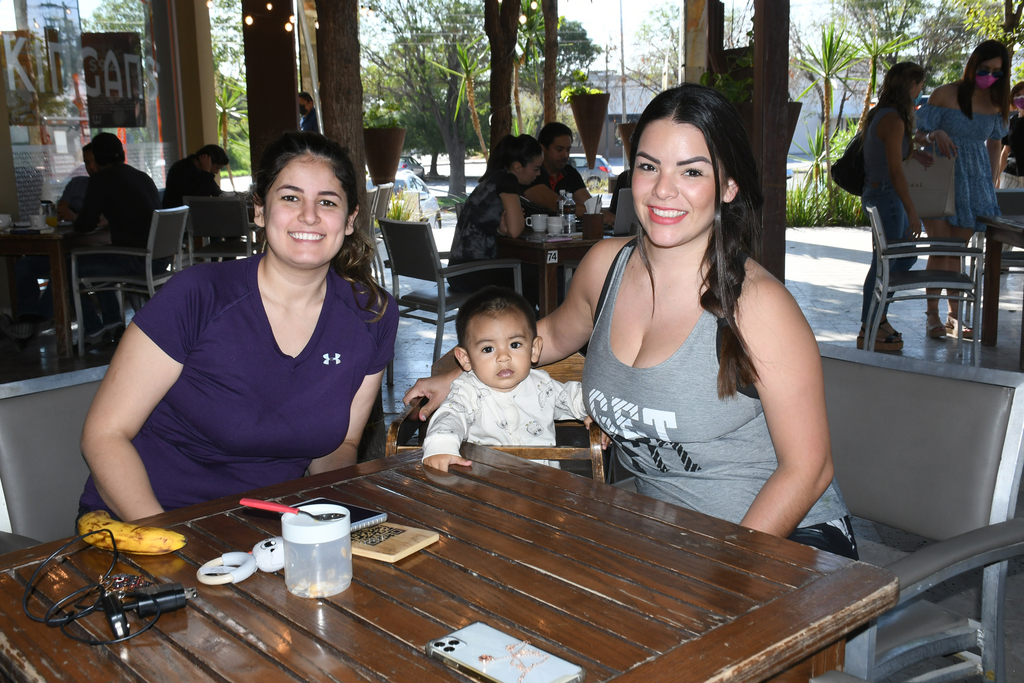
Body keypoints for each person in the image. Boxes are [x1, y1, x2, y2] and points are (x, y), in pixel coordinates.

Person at [408, 83, 858, 560]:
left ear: (728, 186)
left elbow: (809, 469)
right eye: (648, 166)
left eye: (691, 171)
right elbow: (547, 337)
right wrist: (456, 378)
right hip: (663, 537)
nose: (664, 189)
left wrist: (728, 572)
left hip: (776, 544)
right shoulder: (605, 268)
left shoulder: (758, 308)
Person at [77, 131, 398, 521]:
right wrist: (165, 538)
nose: (309, 216)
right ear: (260, 211)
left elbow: (340, 445)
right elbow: (104, 436)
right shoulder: (197, 296)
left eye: (327, 202)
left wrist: (333, 518)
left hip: (267, 526)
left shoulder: (372, 315)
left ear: (349, 221)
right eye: (290, 197)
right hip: (145, 518)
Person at [9, 133, 161, 343]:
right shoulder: (142, 176)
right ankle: (107, 325)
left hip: (131, 260)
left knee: (68, 267)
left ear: (97, 158)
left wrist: (75, 216)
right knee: (83, 261)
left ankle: (86, 329)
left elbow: (84, 224)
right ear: (122, 153)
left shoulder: (102, 179)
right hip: (158, 260)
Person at [421, 286, 588, 472]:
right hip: (486, 483)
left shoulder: (542, 385)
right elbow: (450, 417)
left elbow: (574, 396)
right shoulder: (467, 391)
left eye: (514, 345)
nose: (503, 357)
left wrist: (594, 410)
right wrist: (441, 447)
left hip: (542, 481)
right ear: (465, 359)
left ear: (534, 349)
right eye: (488, 349)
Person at [916, 39, 1010, 339]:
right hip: (939, 177)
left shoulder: (996, 102)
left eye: (997, 72)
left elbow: (995, 145)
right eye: (985, 69)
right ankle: (931, 313)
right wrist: (934, 134)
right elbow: (915, 134)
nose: (990, 77)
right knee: (940, 246)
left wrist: (991, 184)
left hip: (974, 181)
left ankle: (954, 316)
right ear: (973, 65)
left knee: (956, 249)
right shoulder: (945, 93)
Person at [858, 62, 952, 349]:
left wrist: (914, 154)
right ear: (910, 85)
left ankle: (877, 319)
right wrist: (912, 210)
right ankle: (871, 324)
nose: (920, 91)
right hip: (887, 196)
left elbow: (893, 157)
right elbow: (894, 171)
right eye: (919, 85)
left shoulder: (884, 115)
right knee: (887, 261)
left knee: (900, 259)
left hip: (882, 193)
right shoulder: (893, 118)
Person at [448, 134, 543, 303]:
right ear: (517, 166)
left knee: (530, 275)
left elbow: (501, 228)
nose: (539, 174)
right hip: (475, 271)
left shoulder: (490, 181)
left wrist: (502, 230)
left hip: (457, 271)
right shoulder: (508, 180)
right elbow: (515, 231)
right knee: (538, 278)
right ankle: (535, 326)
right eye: (535, 169)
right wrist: (509, 228)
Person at [522, 122, 593, 215]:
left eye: (568, 150)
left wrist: (602, 214)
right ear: (542, 148)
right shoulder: (532, 173)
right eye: (559, 149)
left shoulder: (569, 172)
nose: (565, 155)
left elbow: (590, 204)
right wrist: (599, 214)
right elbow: (556, 204)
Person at [162, 144, 229, 208]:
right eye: (217, 168)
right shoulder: (181, 170)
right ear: (207, 161)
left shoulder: (204, 173)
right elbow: (199, 200)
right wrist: (206, 172)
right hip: (178, 214)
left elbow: (216, 192)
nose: (217, 172)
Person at [56, 142, 97, 221]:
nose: (91, 167)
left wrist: (75, 216)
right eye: (87, 163)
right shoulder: (76, 183)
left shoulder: (112, 186)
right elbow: (61, 210)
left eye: (94, 161)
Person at [998, 81, 1024, 189]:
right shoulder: (1010, 122)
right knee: (1005, 204)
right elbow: (1006, 151)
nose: (1022, 98)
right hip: (1011, 175)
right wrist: (997, 177)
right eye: (1018, 95)